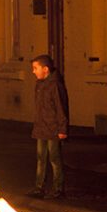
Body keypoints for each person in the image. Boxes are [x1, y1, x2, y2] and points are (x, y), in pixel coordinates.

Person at [26, 54, 69, 199]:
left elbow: (61, 107)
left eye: (35, 68)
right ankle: (39, 188)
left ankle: (58, 189)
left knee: (54, 159)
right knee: (41, 158)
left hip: (53, 128)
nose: (33, 71)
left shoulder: (55, 85)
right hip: (41, 128)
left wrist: (62, 129)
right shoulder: (39, 84)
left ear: (45, 69)